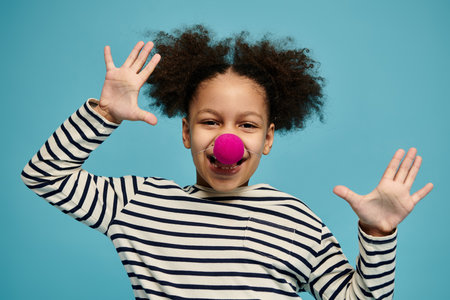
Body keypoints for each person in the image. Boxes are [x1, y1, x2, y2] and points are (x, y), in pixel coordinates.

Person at [21, 25, 433, 299]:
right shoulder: (139, 204)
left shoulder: (294, 219)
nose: (228, 141)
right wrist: (105, 113)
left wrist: (377, 234)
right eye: (210, 122)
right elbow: (44, 176)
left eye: (247, 125)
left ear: (268, 138)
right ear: (186, 133)